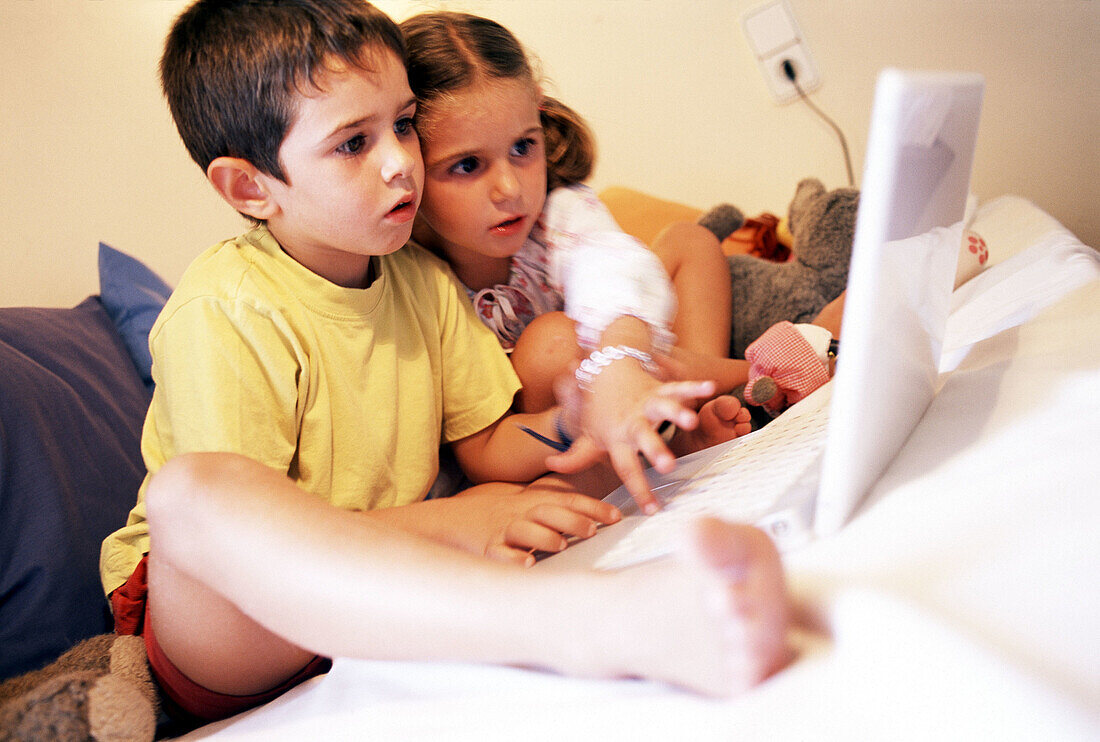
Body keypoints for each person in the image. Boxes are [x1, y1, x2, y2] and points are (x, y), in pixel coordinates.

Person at [87, 0, 790, 726]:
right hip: (238, 628)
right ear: (250, 187)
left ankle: (669, 454)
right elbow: (250, 555)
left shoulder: (418, 279)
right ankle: (590, 623)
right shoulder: (227, 306)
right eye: (353, 143)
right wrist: (450, 522)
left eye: (402, 123)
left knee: (570, 466)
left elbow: (485, 445)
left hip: (394, 582)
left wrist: (568, 418)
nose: (401, 161)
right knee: (189, 497)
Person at [400, 10, 775, 429]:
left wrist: (621, 351)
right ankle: (750, 375)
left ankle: (687, 411)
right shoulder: (411, 275)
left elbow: (609, 263)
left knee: (690, 240)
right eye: (468, 165)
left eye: (523, 147)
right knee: (551, 341)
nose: (510, 188)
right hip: (560, 427)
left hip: (624, 360)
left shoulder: (559, 212)